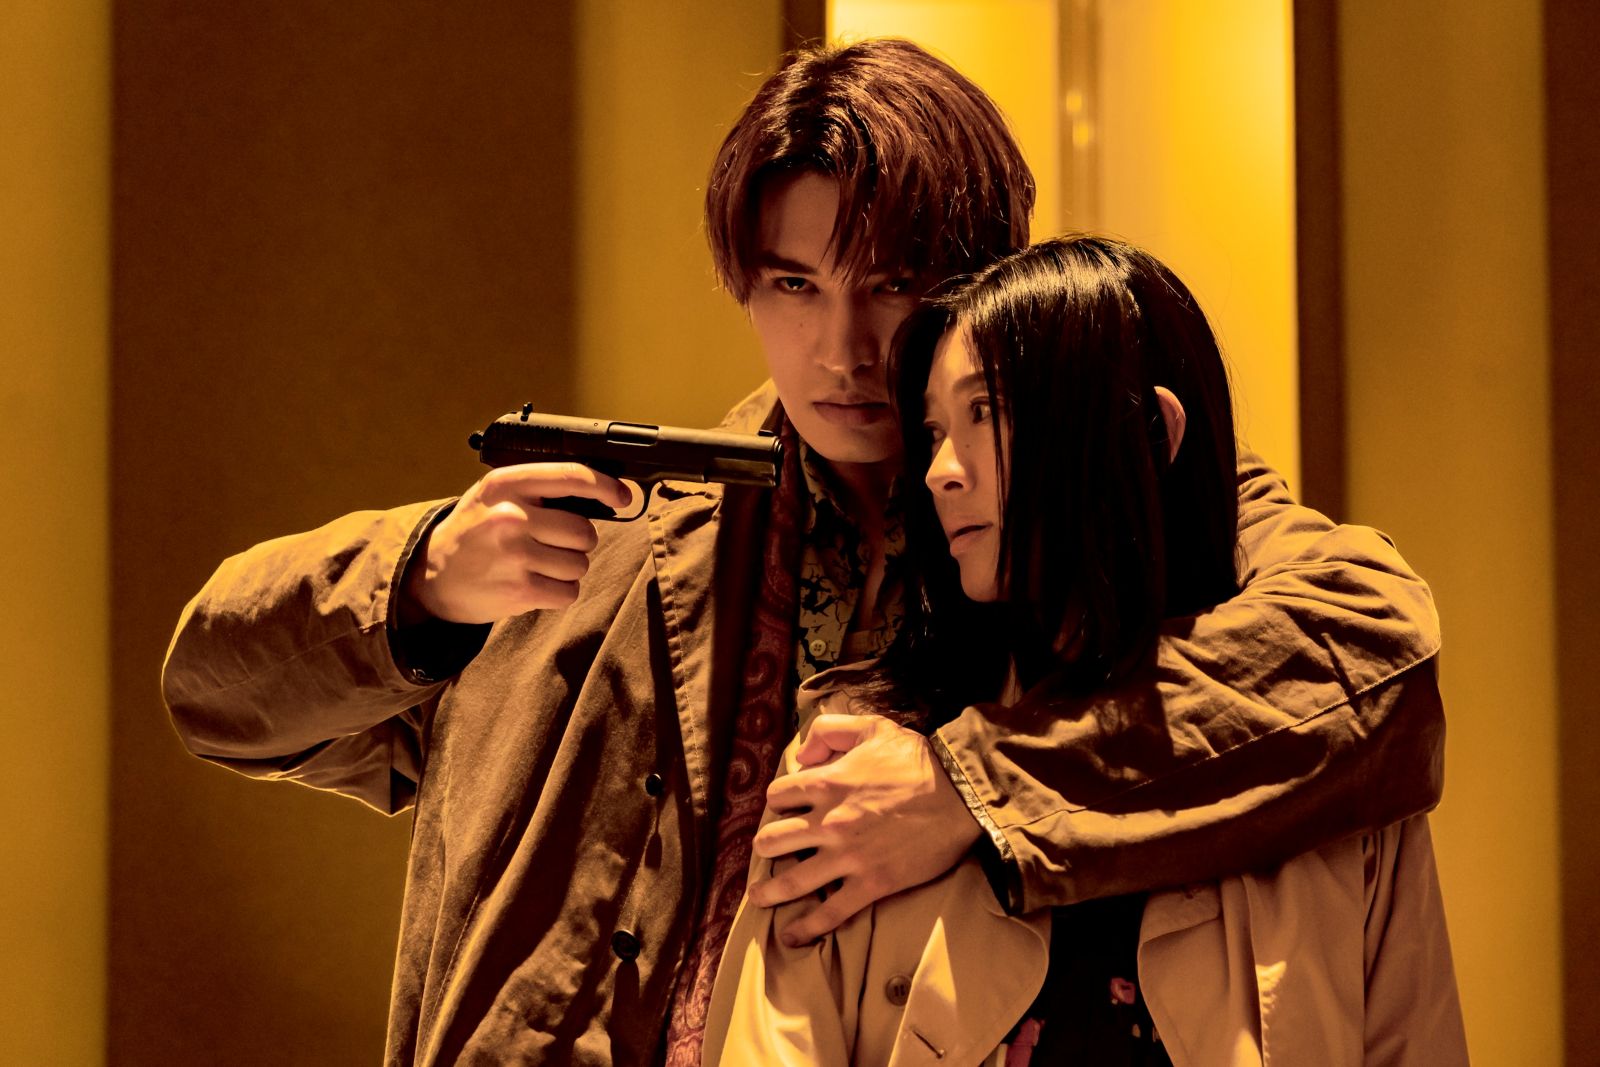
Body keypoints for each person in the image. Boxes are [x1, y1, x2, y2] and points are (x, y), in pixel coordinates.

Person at [161, 39, 1446, 1066]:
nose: (844, 349)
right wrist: (425, 578)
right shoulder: (615, 540)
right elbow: (214, 686)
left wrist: (968, 787)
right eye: (794, 285)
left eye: (892, 282)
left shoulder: (1112, 511)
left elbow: (1375, 643)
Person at [706, 235, 1466, 1065]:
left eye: (986, 411)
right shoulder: (857, 771)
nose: (939, 471)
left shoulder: (1331, 774)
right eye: (932, 429)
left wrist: (971, 790)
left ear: (1149, 432)